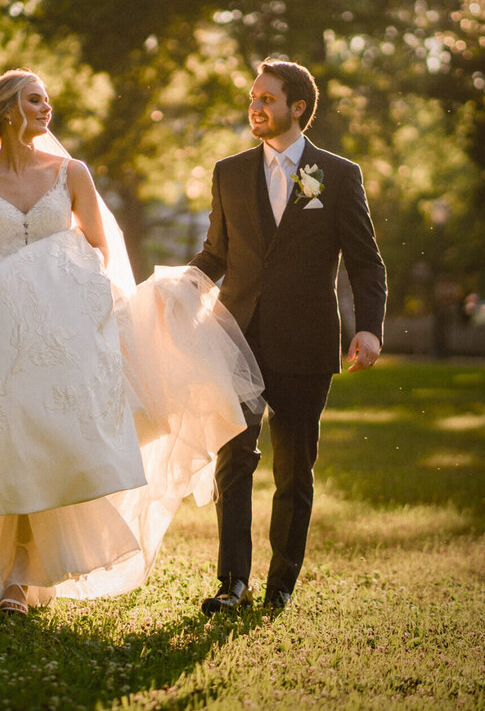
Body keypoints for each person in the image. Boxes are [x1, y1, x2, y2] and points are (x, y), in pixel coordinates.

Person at [0, 69, 264, 616]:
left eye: (47, 99)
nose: (46, 109)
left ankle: (24, 576)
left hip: (59, 343)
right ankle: (17, 578)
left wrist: (55, 285)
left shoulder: (71, 174)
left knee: (49, 451)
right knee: (10, 451)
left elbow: (99, 251)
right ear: (5, 110)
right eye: (34, 100)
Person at [189, 58, 387, 615]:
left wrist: (369, 327)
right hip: (236, 338)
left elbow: (366, 263)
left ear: (298, 108)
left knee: (294, 470)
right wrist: (178, 290)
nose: (256, 106)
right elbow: (216, 254)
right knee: (233, 460)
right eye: (253, 97)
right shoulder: (228, 172)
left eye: (268, 99)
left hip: (305, 341)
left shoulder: (337, 174)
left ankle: (280, 586)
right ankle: (233, 584)